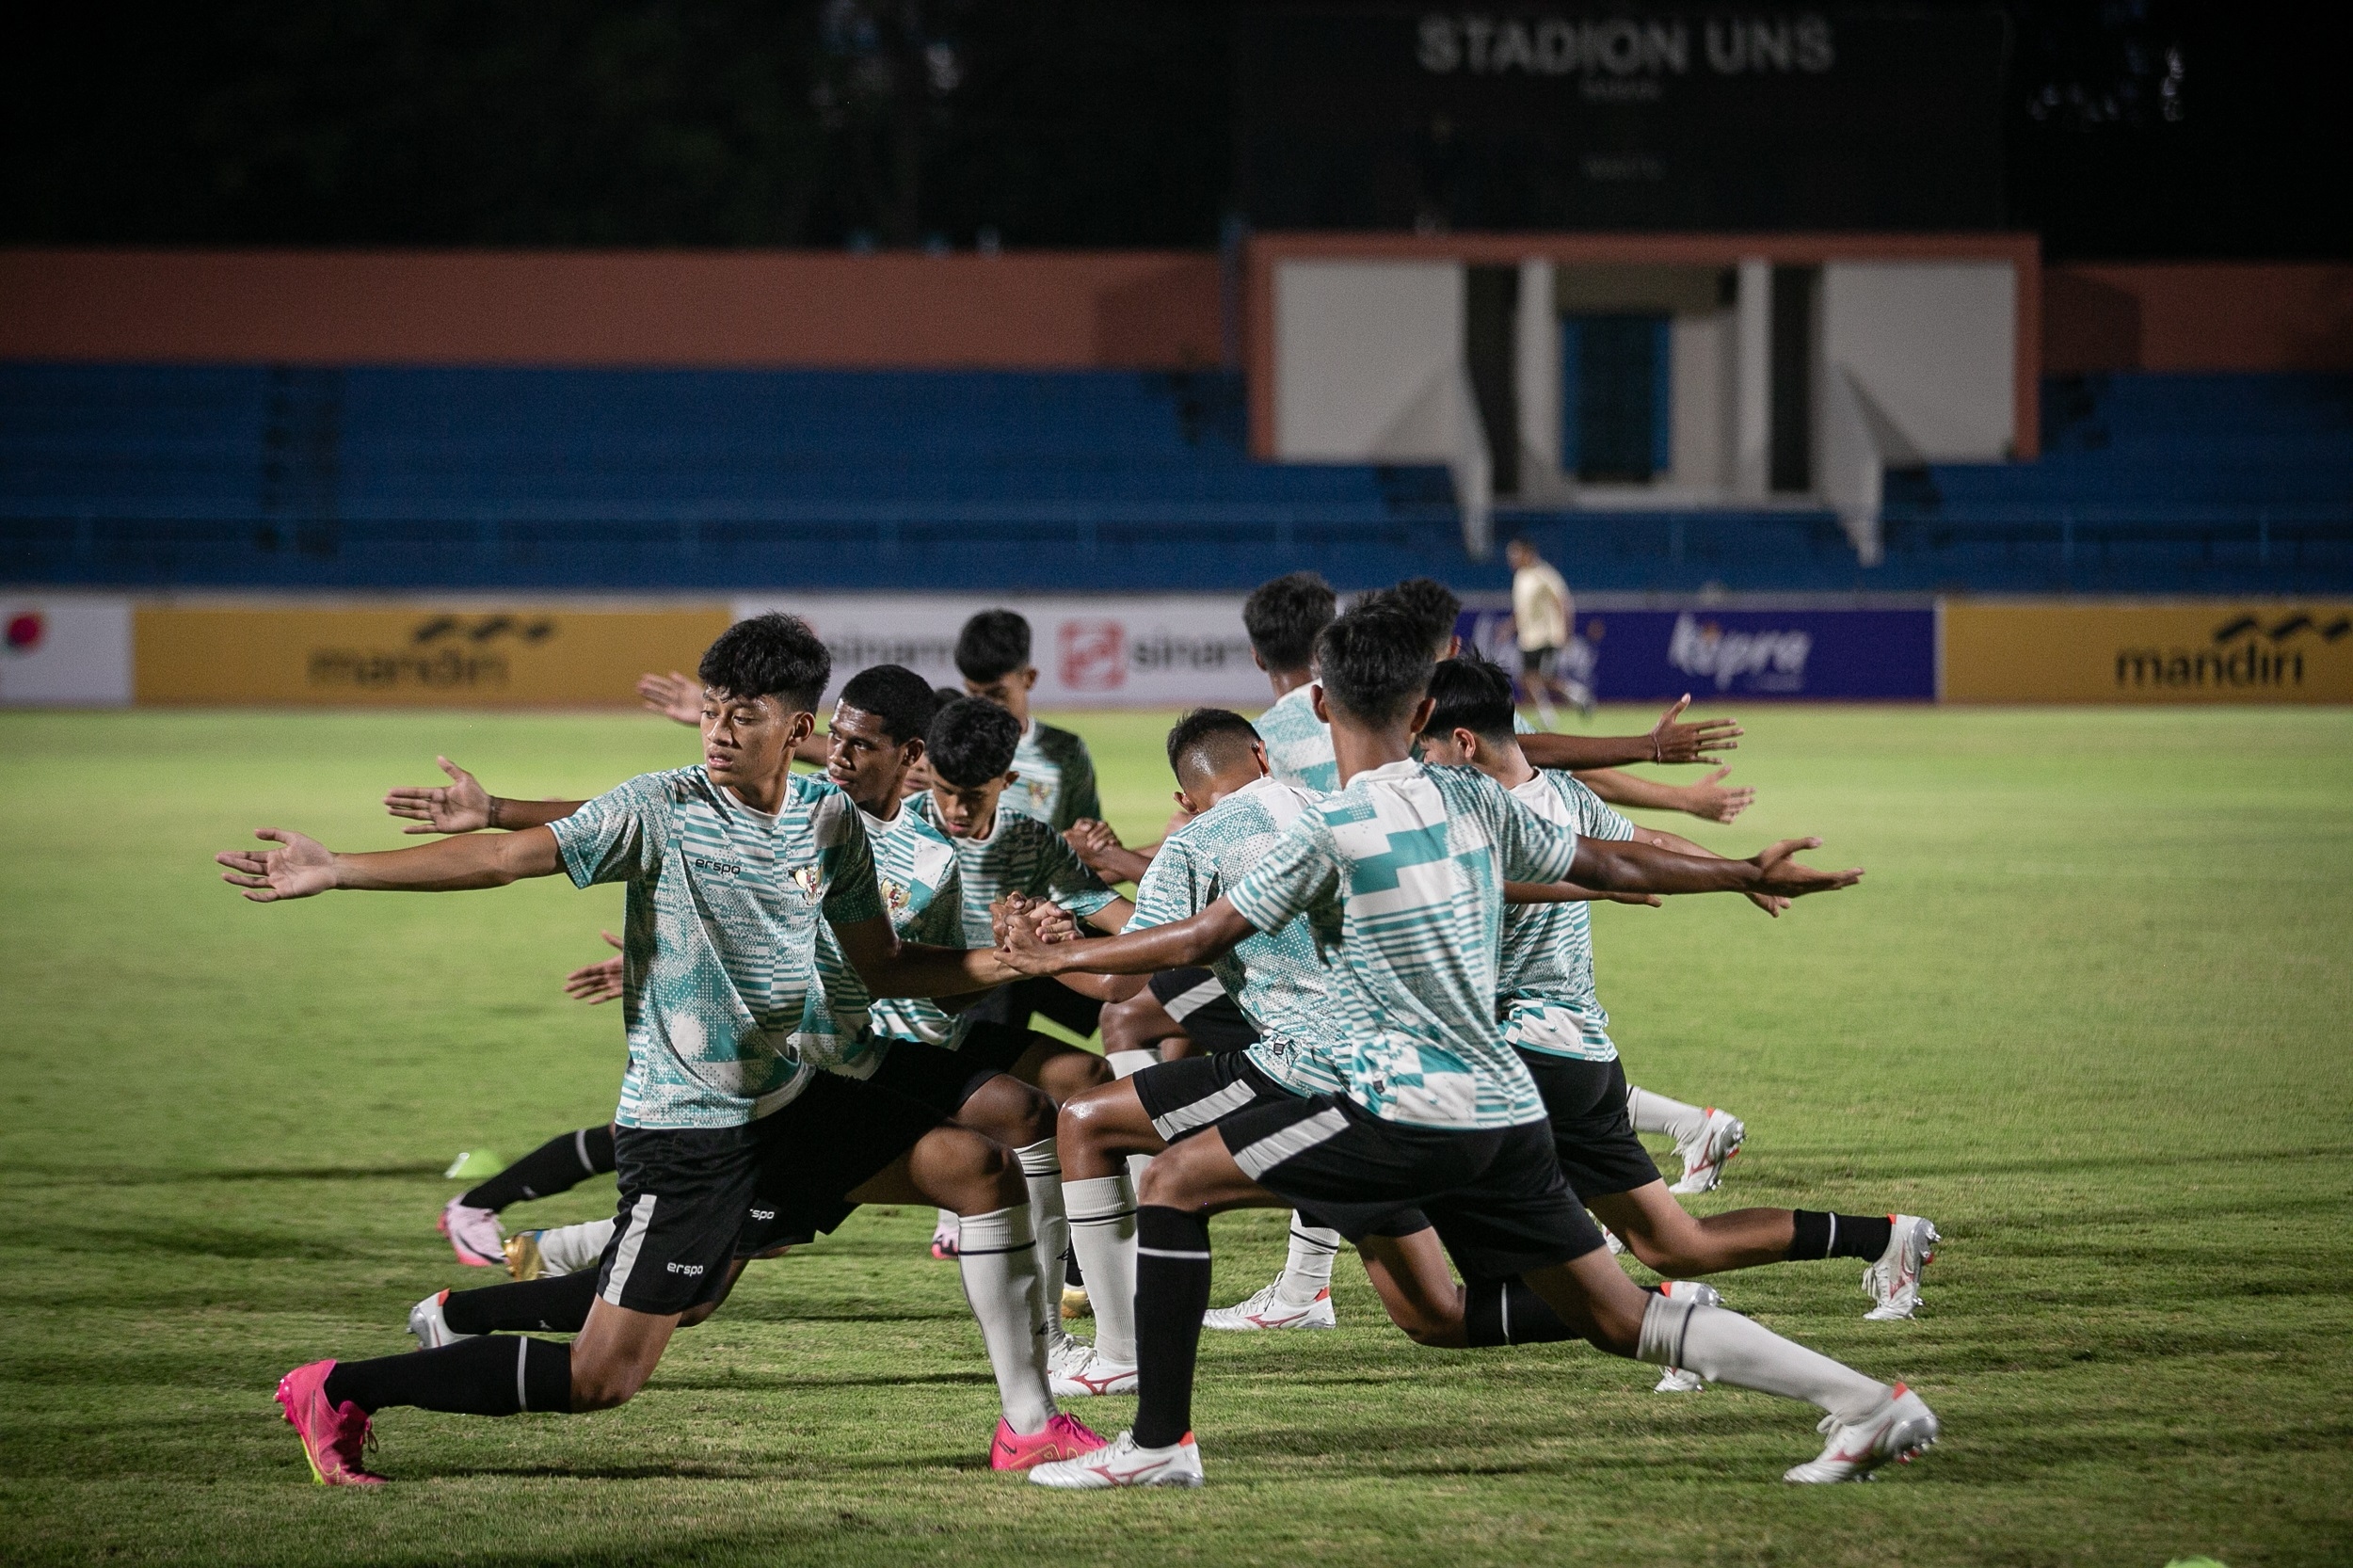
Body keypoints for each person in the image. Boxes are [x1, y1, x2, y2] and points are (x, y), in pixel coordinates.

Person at [995, 600, 1935, 1489]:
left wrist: (1055, 957)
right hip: (1505, 1104)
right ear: (1423, 706)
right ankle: (1867, 1401)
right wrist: (1733, 870)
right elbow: (1602, 858)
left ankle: (1158, 1440)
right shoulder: (1469, 800)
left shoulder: (1332, 828)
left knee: (1171, 1181)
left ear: (1318, 704)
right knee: (1574, 1315)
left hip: (1400, 1110)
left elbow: (1195, 943)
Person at [223, 615, 1100, 1483]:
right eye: (713, 709)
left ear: (794, 729)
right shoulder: (662, 807)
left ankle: (1029, 1425)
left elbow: (882, 965)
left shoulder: (827, 818)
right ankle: (340, 1389)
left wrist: (1002, 961)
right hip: (690, 1133)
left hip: (790, 1100)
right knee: (604, 1377)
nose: (718, 731)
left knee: (979, 1170)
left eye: (742, 715)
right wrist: (338, 867)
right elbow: (502, 859)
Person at [912, 696, 1133, 1266]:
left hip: (959, 1030)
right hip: (894, 1036)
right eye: (943, 788)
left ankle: (1079, 1272)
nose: (956, 808)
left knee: (1086, 1078)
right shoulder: (893, 837)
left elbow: (1125, 927)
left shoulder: (1031, 840)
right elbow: (902, 977)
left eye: (974, 793)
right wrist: (1015, 948)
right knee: (695, 1304)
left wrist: (1061, 939)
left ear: (1007, 780)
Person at [955, 609, 1102, 834]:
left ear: (1029, 678)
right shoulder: (947, 746)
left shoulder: (1065, 753)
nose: (985, 707)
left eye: (997, 694)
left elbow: (1088, 846)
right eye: (974, 693)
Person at [1504, 536, 1591, 725]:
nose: (1512, 559)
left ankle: (1556, 709)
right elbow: (1522, 610)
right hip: (1528, 638)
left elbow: (1562, 601)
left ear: (1527, 553)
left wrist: (1566, 630)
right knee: (1529, 678)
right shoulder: (1520, 577)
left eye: (1516, 553)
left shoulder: (1544, 574)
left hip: (1547, 636)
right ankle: (1573, 697)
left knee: (1541, 677)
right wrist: (1509, 627)